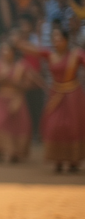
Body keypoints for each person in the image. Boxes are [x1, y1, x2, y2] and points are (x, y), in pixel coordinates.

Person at [17, 28, 85, 172]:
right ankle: (57, 159)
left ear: (66, 40)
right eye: (54, 39)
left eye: (59, 39)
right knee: (54, 126)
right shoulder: (50, 54)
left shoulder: (76, 54)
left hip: (73, 96)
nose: (56, 42)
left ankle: (73, 161)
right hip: (56, 96)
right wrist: (19, 42)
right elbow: (34, 51)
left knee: (72, 128)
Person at [0, 41, 33, 163]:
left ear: (13, 53)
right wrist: (1, 78)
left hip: (17, 99)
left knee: (18, 126)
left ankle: (15, 153)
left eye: (7, 50)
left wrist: (16, 84)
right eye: (3, 50)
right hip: (1, 99)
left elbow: (28, 84)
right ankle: (0, 150)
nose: (5, 53)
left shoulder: (22, 66)